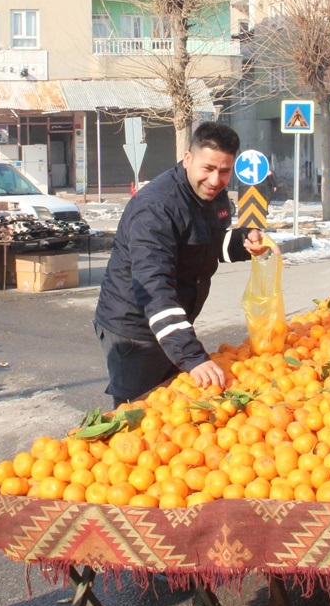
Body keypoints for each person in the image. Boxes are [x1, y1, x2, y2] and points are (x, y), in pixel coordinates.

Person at [94, 122, 269, 406]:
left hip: (172, 325)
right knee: (138, 417)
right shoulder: (156, 207)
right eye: (208, 168)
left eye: (225, 171)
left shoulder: (211, 195)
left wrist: (242, 242)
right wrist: (190, 355)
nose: (215, 180)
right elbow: (153, 286)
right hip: (134, 330)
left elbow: (208, 245)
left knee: (173, 406)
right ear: (188, 159)